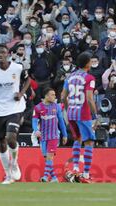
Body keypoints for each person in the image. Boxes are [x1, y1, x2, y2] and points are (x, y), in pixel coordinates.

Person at [0, 44, 30, 184]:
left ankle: (14, 163)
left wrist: (21, 93)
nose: (0, 55)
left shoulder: (17, 67)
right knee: (1, 143)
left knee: (11, 137)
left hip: (15, 108)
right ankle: (8, 174)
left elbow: (28, 80)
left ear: (8, 54)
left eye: (2, 52)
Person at [61, 52, 98, 183]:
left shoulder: (69, 77)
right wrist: (96, 116)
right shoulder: (89, 78)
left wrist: (68, 108)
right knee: (89, 142)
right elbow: (89, 98)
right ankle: (86, 175)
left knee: (77, 139)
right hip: (83, 114)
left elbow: (62, 96)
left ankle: (76, 168)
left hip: (71, 112)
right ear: (88, 63)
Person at [32, 88, 68, 183]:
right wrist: (36, 130)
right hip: (43, 137)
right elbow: (34, 121)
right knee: (47, 159)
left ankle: (45, 177)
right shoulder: (38, 108)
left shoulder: (57, 107)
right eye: (52, 94)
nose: (54, 96)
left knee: (49, 157)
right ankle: (54, 178)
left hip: (54, 136)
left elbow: (61, 121)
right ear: (46, 96)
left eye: (55, 94)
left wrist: (65, 135)